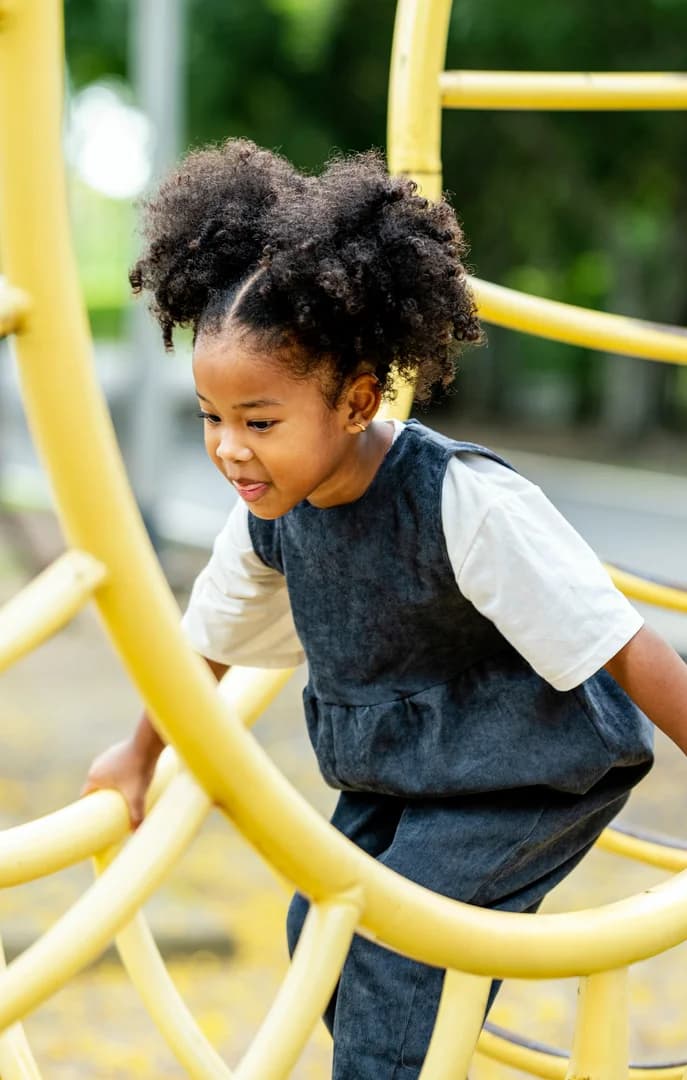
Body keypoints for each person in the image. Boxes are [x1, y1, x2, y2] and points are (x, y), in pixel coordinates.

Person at [82, 139, 687, 1080]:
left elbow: (624, 645)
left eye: (261, 420)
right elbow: (201, 645)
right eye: (210, 416)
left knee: (397, 956)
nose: (230, 450)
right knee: (317, 926)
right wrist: (138, 753)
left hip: (522, 769)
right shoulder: (271, 520)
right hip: (399, 770)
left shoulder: (462, 502)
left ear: (357, 399)